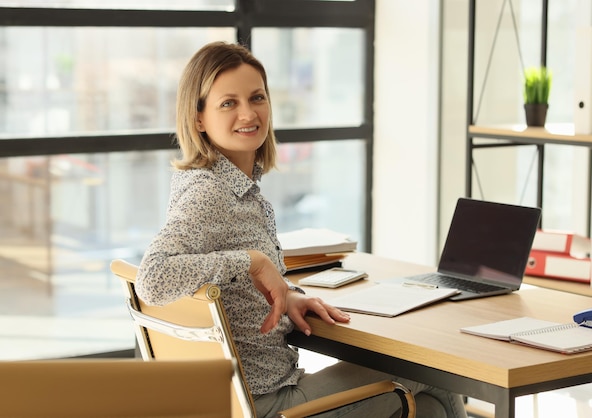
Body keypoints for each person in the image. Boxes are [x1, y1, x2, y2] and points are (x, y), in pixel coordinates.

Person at [135, 41, 468, 418]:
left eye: (257, 97)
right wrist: (253, 262)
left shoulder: (225, 186)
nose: (248, 113)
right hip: (268, 406)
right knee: (440, 374)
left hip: (240, 402)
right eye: (228, 103)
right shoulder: (210, 193)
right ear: (198, 118)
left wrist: (284, 296)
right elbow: (152, 278)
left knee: (428, 411)